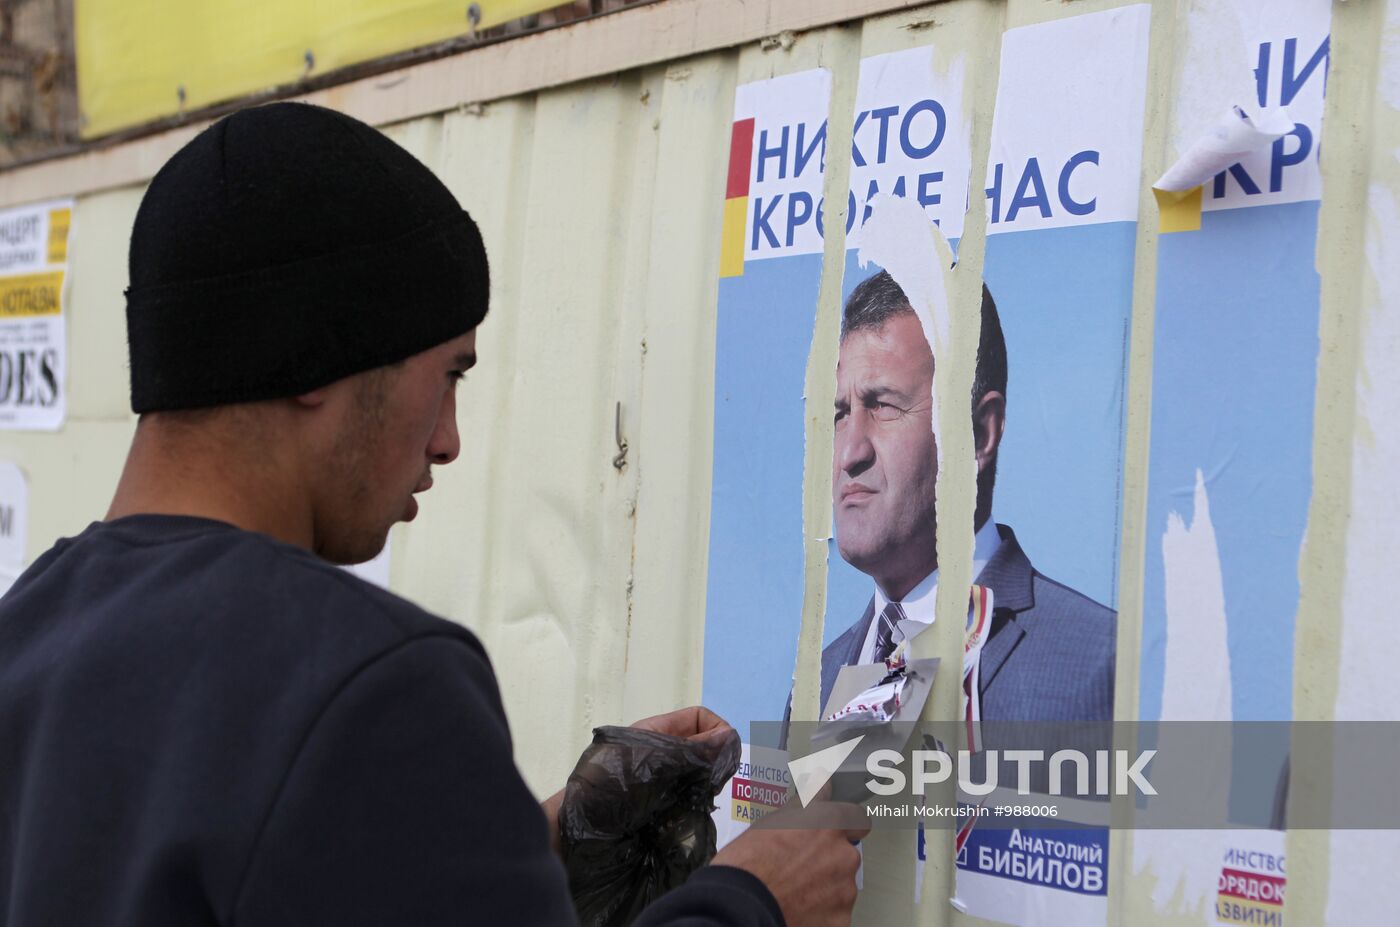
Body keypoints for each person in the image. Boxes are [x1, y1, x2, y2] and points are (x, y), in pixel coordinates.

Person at [0, 102, 866, 927]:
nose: (448, 440)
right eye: (449, 374)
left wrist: (531, 845)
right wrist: (755, 899)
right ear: (313, 351)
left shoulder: (28, 635)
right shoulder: (369, 679)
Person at [820, 269, 1115, 728]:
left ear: (978, 436)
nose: (849, 452)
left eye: (883, 406)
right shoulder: (820, 677)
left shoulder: (1100, 664)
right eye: (841, 412)